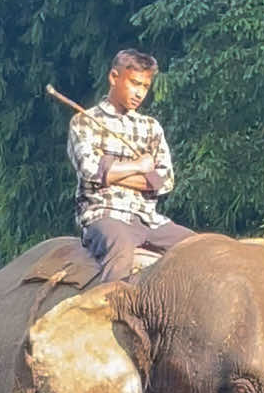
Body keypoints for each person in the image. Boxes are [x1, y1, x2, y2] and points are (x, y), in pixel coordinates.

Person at [67, 49, 195, 281]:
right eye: (134, 83)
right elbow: (91, 172)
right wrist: (139, 166)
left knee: (202, 248)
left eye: (145, 87)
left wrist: (111, 170)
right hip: (104, 215)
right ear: (114, 78)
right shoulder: (84, 121)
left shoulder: (151, 127)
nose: (139, 93)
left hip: (149, 219)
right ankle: (107, 311)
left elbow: (164, 181)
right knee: (121, 251)